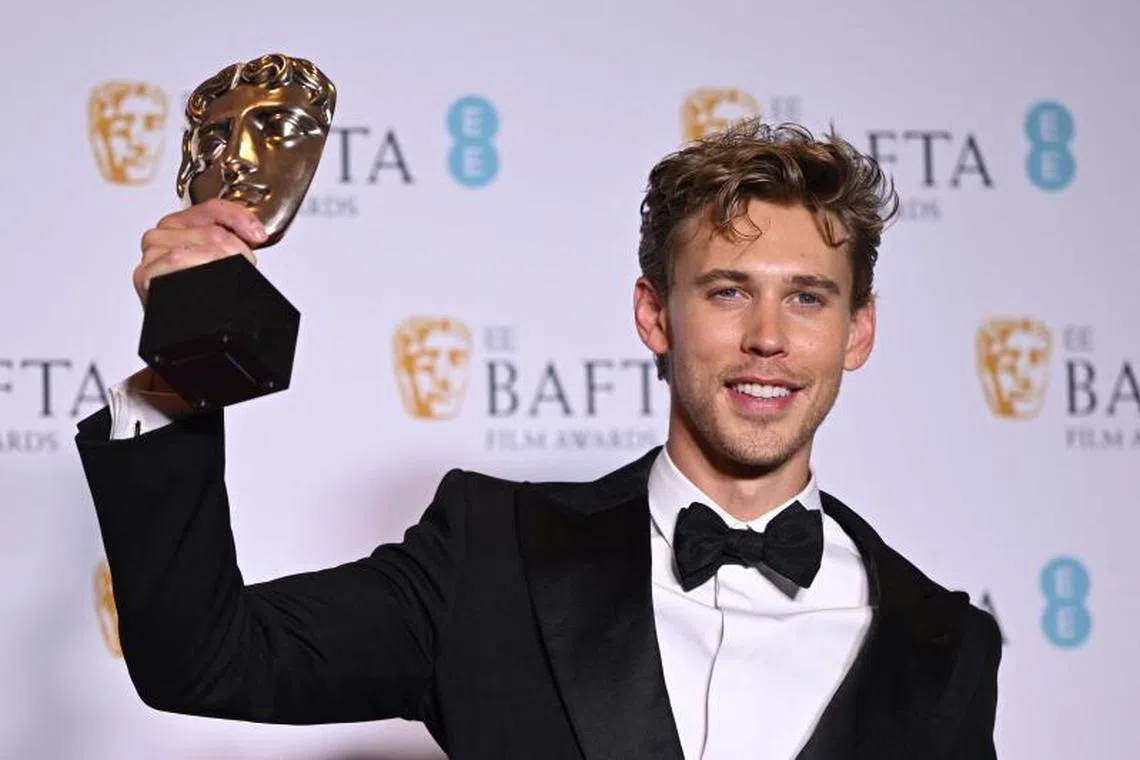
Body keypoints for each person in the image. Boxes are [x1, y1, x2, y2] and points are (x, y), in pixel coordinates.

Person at [75, 118, 1001, 760]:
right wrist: (191, 356)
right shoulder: (489, 557)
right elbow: (205, 659)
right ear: (654, 315)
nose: (767, 335)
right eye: (726, 290)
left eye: (807, 296)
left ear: (859, 329)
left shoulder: (946, 644)